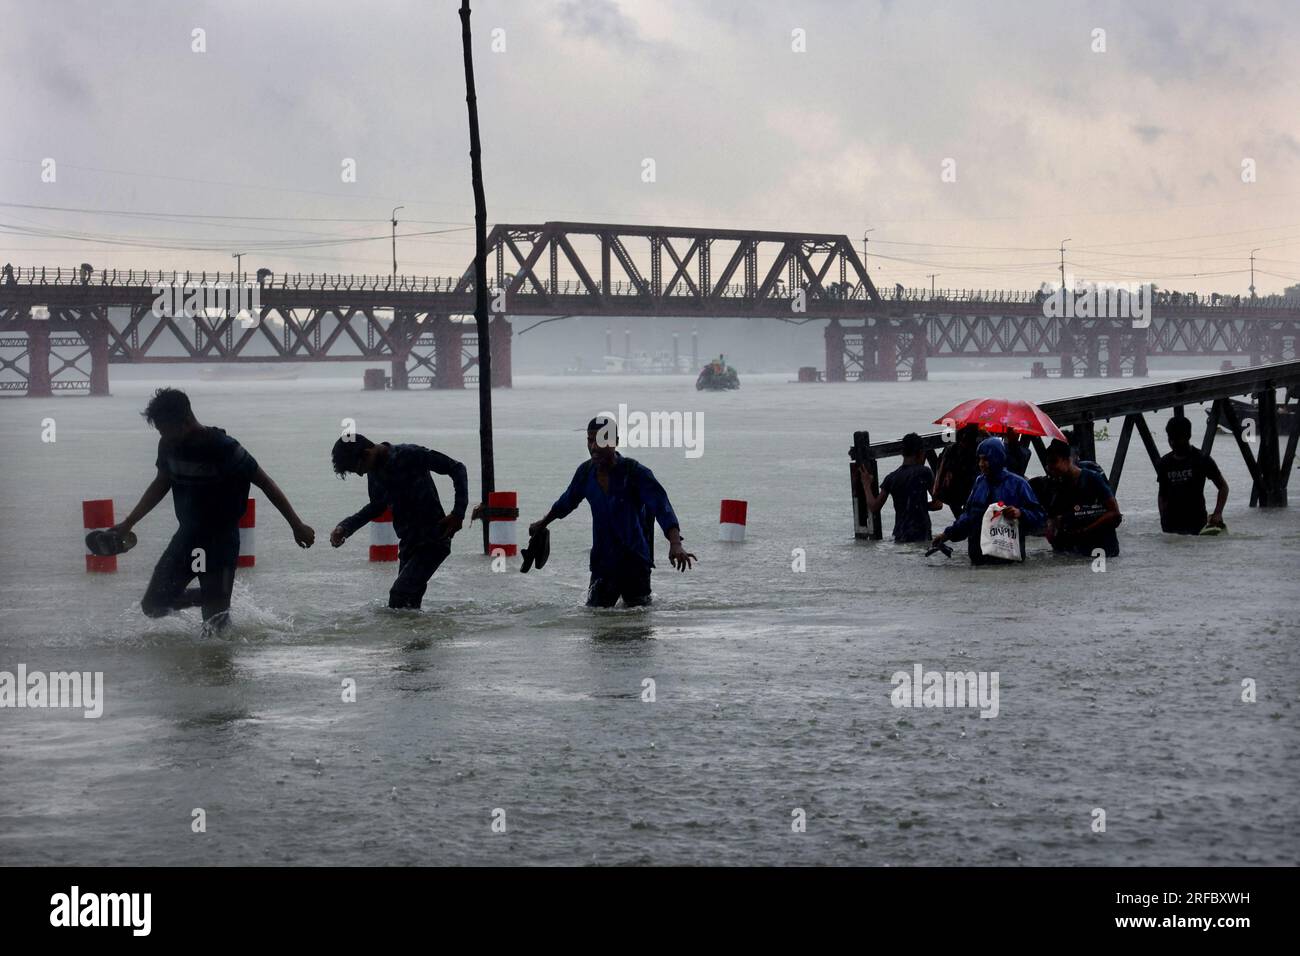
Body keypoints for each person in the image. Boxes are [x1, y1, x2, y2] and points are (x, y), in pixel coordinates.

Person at [112, 387, 314, 630]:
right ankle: (212, 598)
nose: (164, 437)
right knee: (153, 605)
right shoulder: (167, 445)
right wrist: (128, 523)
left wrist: (296, 525)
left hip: (221, 541)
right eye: (160, 431)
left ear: (186, 421)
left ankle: (218, 611)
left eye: (167, 430)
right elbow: (161, 483)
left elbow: (265, 483)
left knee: (215, 628)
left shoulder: (224, 447)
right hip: (186, 538)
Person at [528, 417, 695, 607]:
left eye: (601, 440)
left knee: (638, 623)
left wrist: (675, 543)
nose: (594, 447)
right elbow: (565, 503)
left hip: (635, 561)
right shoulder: (585, 473)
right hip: (603, 562)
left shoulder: (635, 472)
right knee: (597, 622)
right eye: (590, 440)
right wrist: (542, 524)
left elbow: (661, 506)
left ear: (615, 442)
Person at [329, 435, 467, 609]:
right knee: (409, 606)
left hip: (434, 540)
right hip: (408, 544)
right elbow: (377, 507)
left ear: (367, 453)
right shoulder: (374, 473)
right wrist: (345, 527)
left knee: (399, 596)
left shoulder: (410, 454)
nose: (361, 473)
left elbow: (457, 469)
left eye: (358, 468)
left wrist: (458, 513)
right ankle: (422, 636)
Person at [931, 437, 1045, 564]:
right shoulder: (979, 482)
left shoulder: (1018, 484)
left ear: (997, 458)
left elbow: (1039, 516)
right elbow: (968, 516)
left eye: (985, 459)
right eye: (979, 459)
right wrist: (947, 535)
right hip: (978, 558)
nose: (981, 464)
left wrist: (1020, 513)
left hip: (1008, 561)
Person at [856, 432, 943, 543]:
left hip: (899, 534)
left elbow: (874, 507)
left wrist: (866, 484)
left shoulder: (891, 478)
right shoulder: (924, 472)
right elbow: (938, 504)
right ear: (921, 453)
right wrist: (917, 505)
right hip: (921, 533)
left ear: (902, 453)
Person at [1042, 440, 1122, 557]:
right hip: (1071, 549)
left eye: (1054, 462)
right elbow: (1052, 516)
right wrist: (1051, 526)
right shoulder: (1055, 485)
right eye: (1048, 463)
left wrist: (1085, 530)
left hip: (1101, 548)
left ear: (1068, 459)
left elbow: (1114, 513)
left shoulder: (1093, 479)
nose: (1050, 467)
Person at [1156, 416, 1228, 534]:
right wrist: (1162, 517)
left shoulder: (1202, 459)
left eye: (1177, 439)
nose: (1173, 443)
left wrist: (1218, 513)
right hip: (1171, 525)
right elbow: (1162, 495)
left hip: (1197, 523)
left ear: (1188, 436)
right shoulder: (1164, 463)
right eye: (1170, 439)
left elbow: (1223, 487)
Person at [933, 423, 983, 518]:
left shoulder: (951, 449)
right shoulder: (978, 449)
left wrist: (937, 489)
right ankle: (963, 523)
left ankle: (961, 522)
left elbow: (941, 465)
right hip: (970, 490)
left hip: (953, 491)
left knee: (958, 509)